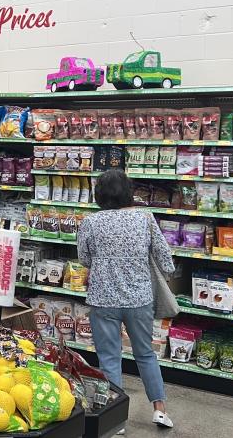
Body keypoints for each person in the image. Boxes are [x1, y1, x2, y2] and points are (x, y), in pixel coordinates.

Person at [77, 169, 175, 431]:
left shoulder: (91, 222)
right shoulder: (144, 219)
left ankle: (115, 418)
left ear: (99, 194)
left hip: (103, 299)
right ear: (128, 192)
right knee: (145, 355)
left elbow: (85, 259)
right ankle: (160, 411)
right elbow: (166, 260)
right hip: (139, 298)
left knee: (109, 358)